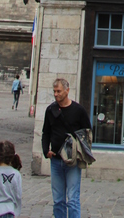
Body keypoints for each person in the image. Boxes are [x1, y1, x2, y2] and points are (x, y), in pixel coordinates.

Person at [42, 78, 91, 218]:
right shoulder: (50, 110)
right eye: (54, 91)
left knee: (73, 199)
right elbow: (46, 132)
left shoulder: (78, 110)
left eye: (59, 91)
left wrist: (81, 151)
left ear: (67, 91)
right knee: (58, 200)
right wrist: (46, 151)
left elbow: (87, 132)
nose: (56, 94)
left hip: (72, 160)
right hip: (56, 160)